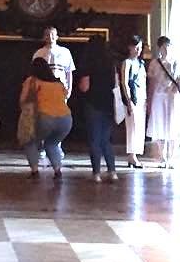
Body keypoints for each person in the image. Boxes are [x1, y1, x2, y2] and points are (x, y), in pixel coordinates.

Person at [21, 57, 73, 179]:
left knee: (30, 141)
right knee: (52, 143)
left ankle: (34, 171)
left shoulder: (32, 81)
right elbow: (65, 95)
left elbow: (23, 99)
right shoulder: (58, 83)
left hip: (45, 118)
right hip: (66, 119)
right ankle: (57, 170)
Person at [77, 37, 119, 181]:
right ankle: (112, 171)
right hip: (108, 104)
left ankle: (96, 173)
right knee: (106, 139)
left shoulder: (88, 64)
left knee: (94, 139)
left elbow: (85, 87)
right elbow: (115, 84)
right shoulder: (110, 63)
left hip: (92, 103)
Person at [145, 34, 180, 169]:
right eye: (164, 47)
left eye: (168, 46)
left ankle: (171, 157)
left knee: (173, 125)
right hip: (158, 96)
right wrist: (149, 100)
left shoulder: (176, 62)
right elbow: (151, 83)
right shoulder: (154, 63)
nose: (166, 49)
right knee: (160, 125)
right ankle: (163, 157)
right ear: (159, 48)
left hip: (173, 96)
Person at [120, 33, 146, 168]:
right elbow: (124, 82)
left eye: (140, 47)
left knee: (139, 127)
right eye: (136, 47)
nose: (138, 50)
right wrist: (129, 101)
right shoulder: (127, 63)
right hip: (132, 99)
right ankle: (132, 155)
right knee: (133, 127)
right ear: (130, 47)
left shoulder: (141, 63)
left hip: (142, 99)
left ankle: (135, 153)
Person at [32, 24, 75, 93]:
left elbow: (69, 72)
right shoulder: (38, 53)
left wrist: (69, 89)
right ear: (44, 37)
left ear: (57, 37)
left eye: (52, 34)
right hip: (44, 88)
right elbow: (35, 74)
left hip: (61, 88)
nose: (50, 37)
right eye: (47, 34)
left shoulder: (65, 52)